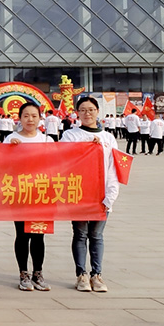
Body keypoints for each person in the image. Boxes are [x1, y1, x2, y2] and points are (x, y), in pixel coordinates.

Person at [61, 96, 119, 293]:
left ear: (97, 112)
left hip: (101, 194)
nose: (87, 113)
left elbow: (113, 168)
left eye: (91, 109)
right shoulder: (70, 135)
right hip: (79, 193)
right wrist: (86, 147)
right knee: (80, 234)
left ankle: (97, 274)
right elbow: (64, 159)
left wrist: (110, 196)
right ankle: (81, 274)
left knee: (97, 235)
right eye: (83, 110)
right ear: (77, 113)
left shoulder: (108, 138)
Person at [4, 102, 52, 292]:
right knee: (22, 234)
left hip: (42, 194)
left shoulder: (47, 140)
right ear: (19, 118)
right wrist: (10, 150)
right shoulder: (11, 139)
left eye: (34, 116)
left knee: (39, 235)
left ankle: (37, 273)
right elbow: (1, 164)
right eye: (26, 115)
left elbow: (59, 163)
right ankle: (23, 273)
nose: (30, 119)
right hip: (20, 193)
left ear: (40, 118)